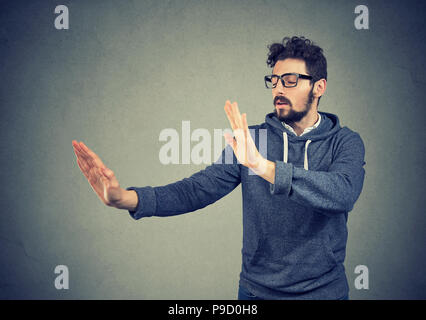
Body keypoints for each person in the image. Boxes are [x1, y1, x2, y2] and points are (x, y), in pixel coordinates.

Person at [72, 36, 365, 300]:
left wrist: (262, 166)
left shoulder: (345, 142)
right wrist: (125, 198)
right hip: (256, 293)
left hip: (324, 294)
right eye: (274, 80)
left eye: (289, 80)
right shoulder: (251, 140)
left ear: (319, 86)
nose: (278, 88)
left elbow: (342, 194)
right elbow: (196, 190)